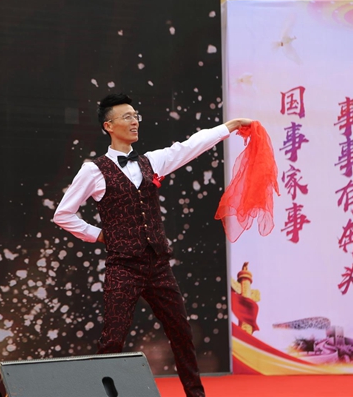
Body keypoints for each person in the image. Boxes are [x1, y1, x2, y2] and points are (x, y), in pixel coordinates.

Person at [54, 93, 251, 397]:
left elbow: (190, 147)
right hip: (124, 266)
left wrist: (231, 126)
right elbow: (63, 214)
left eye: (136, 116)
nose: (134, 121)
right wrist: (100, 234)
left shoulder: (151, 161)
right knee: (113, 339)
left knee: (181, 332)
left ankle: (196, 395)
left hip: (158, 265)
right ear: (108, 126)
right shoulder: (94, 170)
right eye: (127, 117)